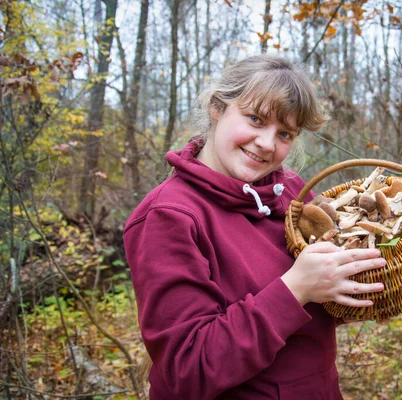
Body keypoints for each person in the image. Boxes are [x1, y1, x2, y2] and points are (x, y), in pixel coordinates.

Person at [123, 55, 386, 399]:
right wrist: (295, 289)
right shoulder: (170, 215)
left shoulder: (291, 191)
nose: (266, 143)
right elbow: (187, 369)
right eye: (255, 119)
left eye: (285, 133)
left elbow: (319, 310)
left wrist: (365, 287)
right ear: (217, 108)